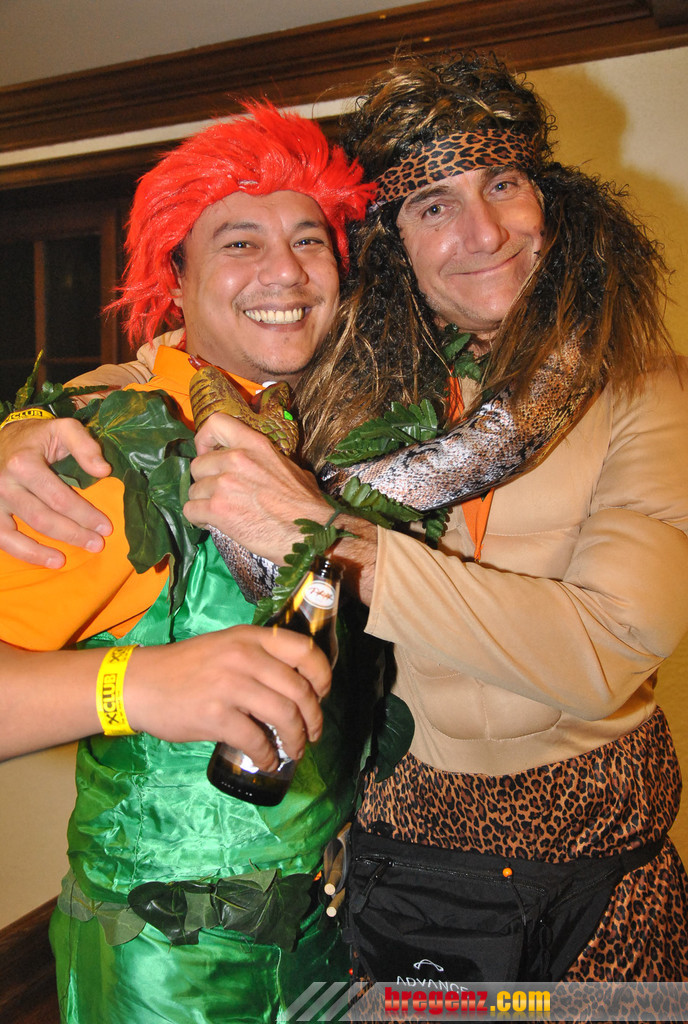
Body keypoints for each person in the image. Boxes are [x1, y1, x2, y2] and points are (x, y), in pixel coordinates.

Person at [2, 51, 688, 983]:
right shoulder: (220, 421)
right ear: (393, 245)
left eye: (503, 183)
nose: (482, 231)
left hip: (574, 870)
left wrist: (323, 539)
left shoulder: (623, 382)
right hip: (307, 911)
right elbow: (181, 363)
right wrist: (27, 428)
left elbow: (612, 645)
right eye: (432, 204)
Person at [0, 101, 376, 1024]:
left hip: (322, 937)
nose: (286, 271)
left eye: (309, 240)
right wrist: (138, 685)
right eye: (240, 243)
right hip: (168, 968)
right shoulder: (117, 451)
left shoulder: (345, 436)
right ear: (175, 278)